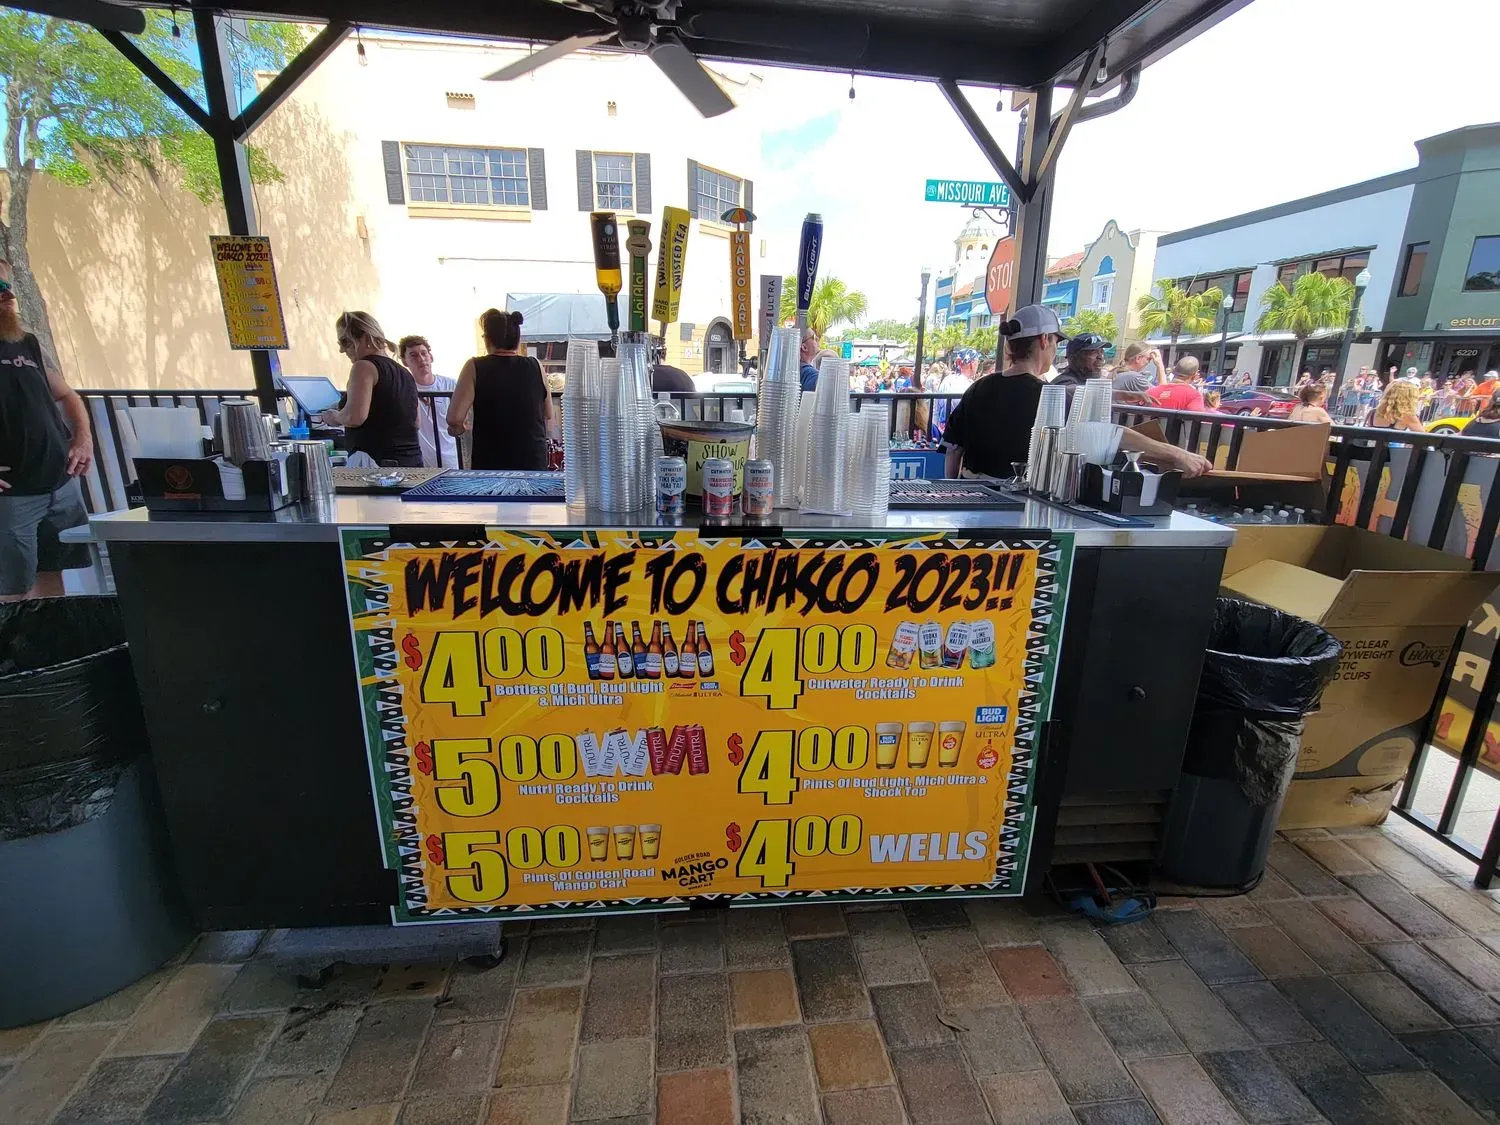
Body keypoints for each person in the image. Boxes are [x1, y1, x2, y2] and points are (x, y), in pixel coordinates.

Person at [941, 305, 1210, 481]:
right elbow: (1109, 434)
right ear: (1044, 340)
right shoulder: (1051, 396)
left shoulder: (978, 388)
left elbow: (953, 452)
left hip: (973, 498)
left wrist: (954, 496)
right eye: (1055, 341)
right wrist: (1177, 455)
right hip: (1021, 506)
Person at [0, 258, 93, 600]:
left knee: (54, 579)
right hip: (12, 496)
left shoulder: (26, 343)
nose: (8, 295)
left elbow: (67, 395)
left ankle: (56, 636)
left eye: (8, 286)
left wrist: (82, 439)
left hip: (59, 485)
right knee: (14, 593)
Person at [447, 308, 552, 470]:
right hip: (533, 462)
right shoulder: (535, 365)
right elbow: (548, 414)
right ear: (517, 339)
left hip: (491, 463)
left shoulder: (474, 366)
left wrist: (459, 428)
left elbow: (454, 418)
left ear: (487, 339)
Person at [320, 311, 421, 467]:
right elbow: (416, 422)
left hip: (374, 464)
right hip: (411, 462)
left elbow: (354, 417)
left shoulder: (363, 367)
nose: (341, 350)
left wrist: (334, 416)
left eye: (345, 342)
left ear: (366, 338)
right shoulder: (405, 373)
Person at [399, 335, 460, 468]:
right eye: (413, 355)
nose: (421, 359)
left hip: (450, 461)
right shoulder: (403, 389)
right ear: (404, 361)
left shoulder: (450, 385)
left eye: (424, 353)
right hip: (420, 464)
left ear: (430, 357)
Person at [1050, 332, 1107, 398]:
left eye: (1101, 351)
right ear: (1073, 358)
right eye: (1093, 351)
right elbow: (1068, 390)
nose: (1100, 357)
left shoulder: (1085, 381)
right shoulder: (1063, 382)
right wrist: (1111, 393)